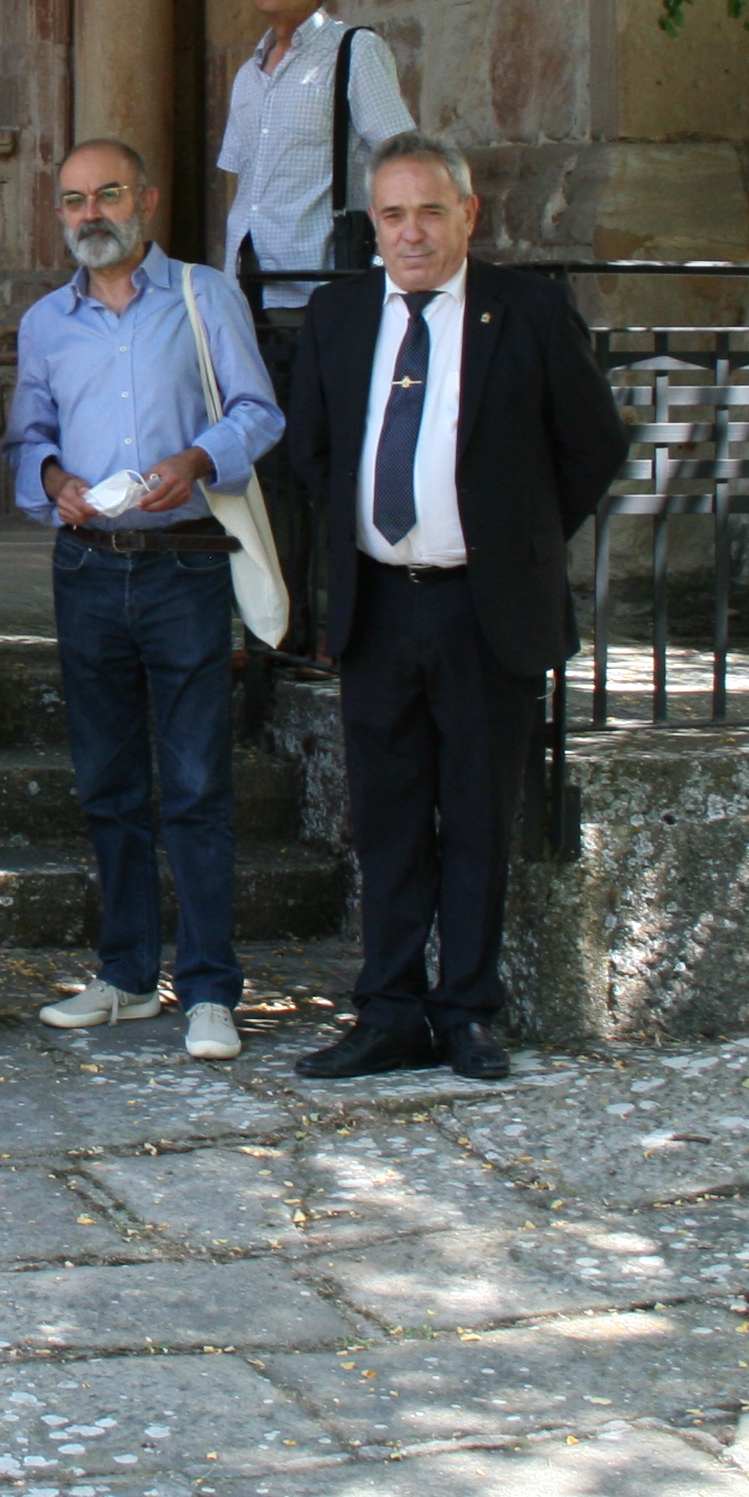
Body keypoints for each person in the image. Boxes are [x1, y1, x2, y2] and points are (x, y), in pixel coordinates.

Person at [289, 132, 628, 1085]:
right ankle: (390, 1009)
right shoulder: (340, 315)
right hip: (379, 609)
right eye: (392, 216)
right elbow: (315, 452)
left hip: (484, 609)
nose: (411, 233)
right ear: (374, 226)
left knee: (479, 817)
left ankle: (469, 1011)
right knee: (388, 818)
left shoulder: (528, 312)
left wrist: (515, 535)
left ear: (468, 215)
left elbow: (591, 446)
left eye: (430, 212)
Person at [6, 140, 287, 1063]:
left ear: (150, 199)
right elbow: (27, 439)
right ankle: (127, 974)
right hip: (88, 567)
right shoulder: (46, 322)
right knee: (109, 783)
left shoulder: (205, 297)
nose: (91, 215)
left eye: (109, 195)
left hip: (185, 566)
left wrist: (198, 460)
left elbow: (257, 410)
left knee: (199, 781)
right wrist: (51, 478)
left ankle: (209, 987)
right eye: (74, 201)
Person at [222, 0, 413, 581]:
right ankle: (282, 625)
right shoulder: (249, 74)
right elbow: (244, 186)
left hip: (319, 292)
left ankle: (335, 621)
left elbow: (400, 154)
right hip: (253, 295)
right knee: (264, 464)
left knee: (321, 456)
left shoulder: (354, 52)